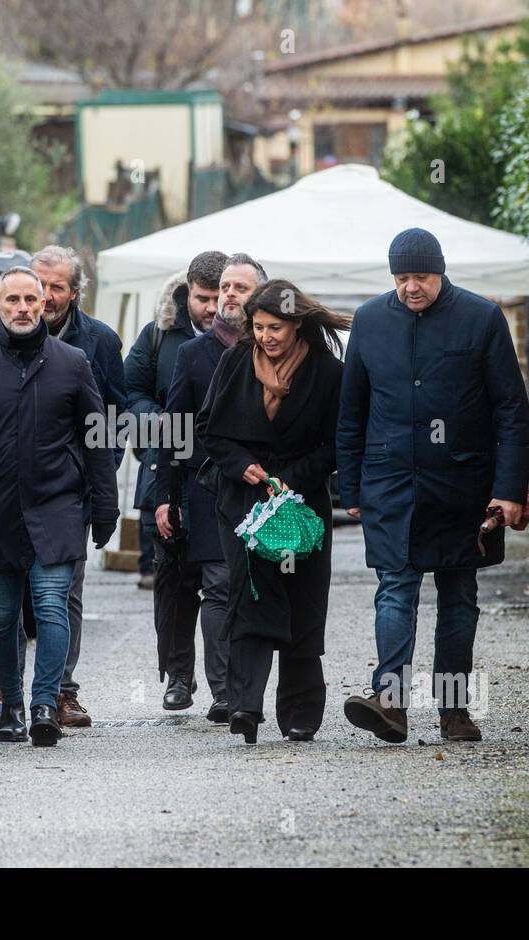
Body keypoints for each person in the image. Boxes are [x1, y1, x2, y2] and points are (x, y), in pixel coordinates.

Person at [336, 227, 529, 744]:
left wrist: (509, 489)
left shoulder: (481, 318)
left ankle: (454, 712)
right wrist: (351, 489)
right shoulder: (371, 322)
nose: (409, 288)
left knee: (459, 596)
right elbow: (351, 411)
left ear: (440, 272)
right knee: (394, 590)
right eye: (401, 278)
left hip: (463, 487)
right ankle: (390, 703)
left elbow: (510, 408)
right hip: (390, 484)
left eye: (419, 277)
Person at [0, 266, 119, 746]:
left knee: (52, 605)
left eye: (30, 300)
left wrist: (104, 507)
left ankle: (43, 705)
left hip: (58, 508)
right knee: (1, 615)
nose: (22, 308)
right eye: (11, 300)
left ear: (44, 305)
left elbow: (97, 439)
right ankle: (11, 703)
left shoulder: (72, 362)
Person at [196, 279, 349, 743]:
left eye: (275, 327)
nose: (266, 336)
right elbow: (209, 428)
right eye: (259, 327)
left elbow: (337, 444)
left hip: (301, 505)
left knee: (303, 601)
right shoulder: (235, 361)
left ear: (297, 324)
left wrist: (294, 478)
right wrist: (245, 468)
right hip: (244, 504)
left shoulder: (327, 372)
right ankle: (244, 707)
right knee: (250, 597)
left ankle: (300, 712)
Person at [152, 253, 262, 721]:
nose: (228, 297)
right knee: (215, 585)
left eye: (237, 289)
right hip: (206, 487)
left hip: (261, 489)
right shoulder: (192, 355)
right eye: (222, 291)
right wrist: (164, 497)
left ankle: (243, 687)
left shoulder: (273, 342)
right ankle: (224, 692)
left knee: (247, 587)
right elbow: (173, 428)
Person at [124, 250, 228, 710]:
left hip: (221, 477)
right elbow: (130, 393)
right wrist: (161, 422)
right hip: (169, 473)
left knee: (221, 584)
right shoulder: (157, 335)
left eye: (216, 297)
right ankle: (178, 677)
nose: (210, 307)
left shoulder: (240, 336)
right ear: (188, 290)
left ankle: (224, 686)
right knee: (173, 586)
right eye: (203, 297)